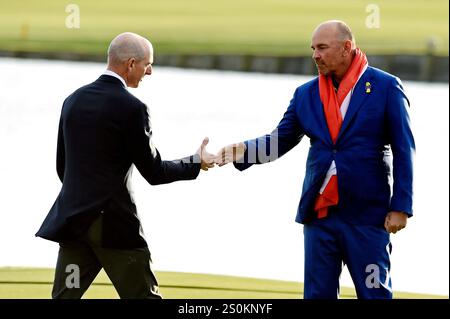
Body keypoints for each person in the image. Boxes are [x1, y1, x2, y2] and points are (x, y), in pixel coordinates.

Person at [216, 20, 415, 299]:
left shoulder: (385, 87)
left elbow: (404, 150)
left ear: (347, 48)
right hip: (320, 216)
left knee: (374, 294)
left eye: (322, 48)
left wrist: (402, 207)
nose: (315, 55)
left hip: (368, 217)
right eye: (313, 49)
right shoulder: (306, 94)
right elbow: (279, 141)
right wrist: (242, 151)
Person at [36, 32, 216, 299]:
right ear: (131, 64)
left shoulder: (72, 100)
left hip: (74, 222)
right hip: (114, 228)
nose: (150, 72)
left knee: (64, 297)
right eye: (147, 64)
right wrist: (195, 163)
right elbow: (154, 172)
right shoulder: (132, 108)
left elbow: (63, 168)